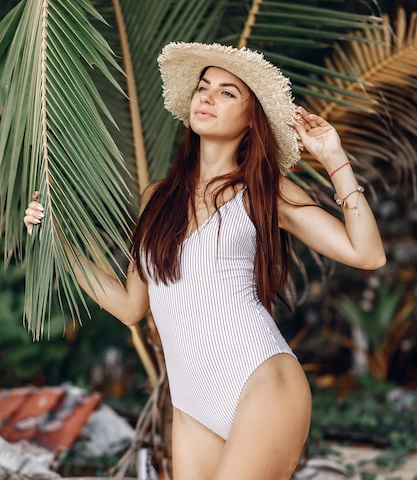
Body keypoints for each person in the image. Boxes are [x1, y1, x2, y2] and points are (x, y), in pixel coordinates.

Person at [24, 42, 386, 480]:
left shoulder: (266, 191)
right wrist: (58, 238)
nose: (208, 97)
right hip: (192, 399)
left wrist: (333, 159)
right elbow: (129, 307)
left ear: (252, 118)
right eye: (203, 87)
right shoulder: (157, 198)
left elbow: (366, 253)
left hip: (263, 381)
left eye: (228, 92)